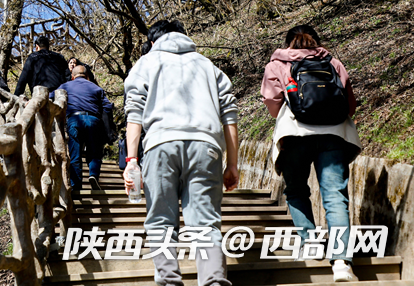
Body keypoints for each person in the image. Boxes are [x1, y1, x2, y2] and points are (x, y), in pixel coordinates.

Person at [123, 20, 239, 286]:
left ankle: (169, 281)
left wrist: (131, 161)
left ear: (152, 43)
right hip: (205, 146)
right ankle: (213, 282)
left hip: (160, 145)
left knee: (161, 220)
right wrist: (232, 163)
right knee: (205, 223)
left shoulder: (145, 64)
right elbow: (229, 116)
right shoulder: (209, 67)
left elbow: (135, 113)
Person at [261, 24, 360, 282]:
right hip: (334, 135)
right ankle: (341, 262)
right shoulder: (333, 62)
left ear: (288, 42)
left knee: (296, 190)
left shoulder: (277, 64)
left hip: (295, 134)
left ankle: (310, 243)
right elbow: (349, 104)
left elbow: (273, 104)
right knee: (335, 196)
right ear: (315, 40)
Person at [54, 65, 114, 191]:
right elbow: (108, 107)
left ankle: (76, 185)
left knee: (75, 152)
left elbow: (50, 97)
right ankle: (93, 175)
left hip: (74, 120)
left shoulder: (65, 86)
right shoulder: (96, 88)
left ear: (72, 76)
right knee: (94, 152)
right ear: (87, 76)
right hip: (93, 120)